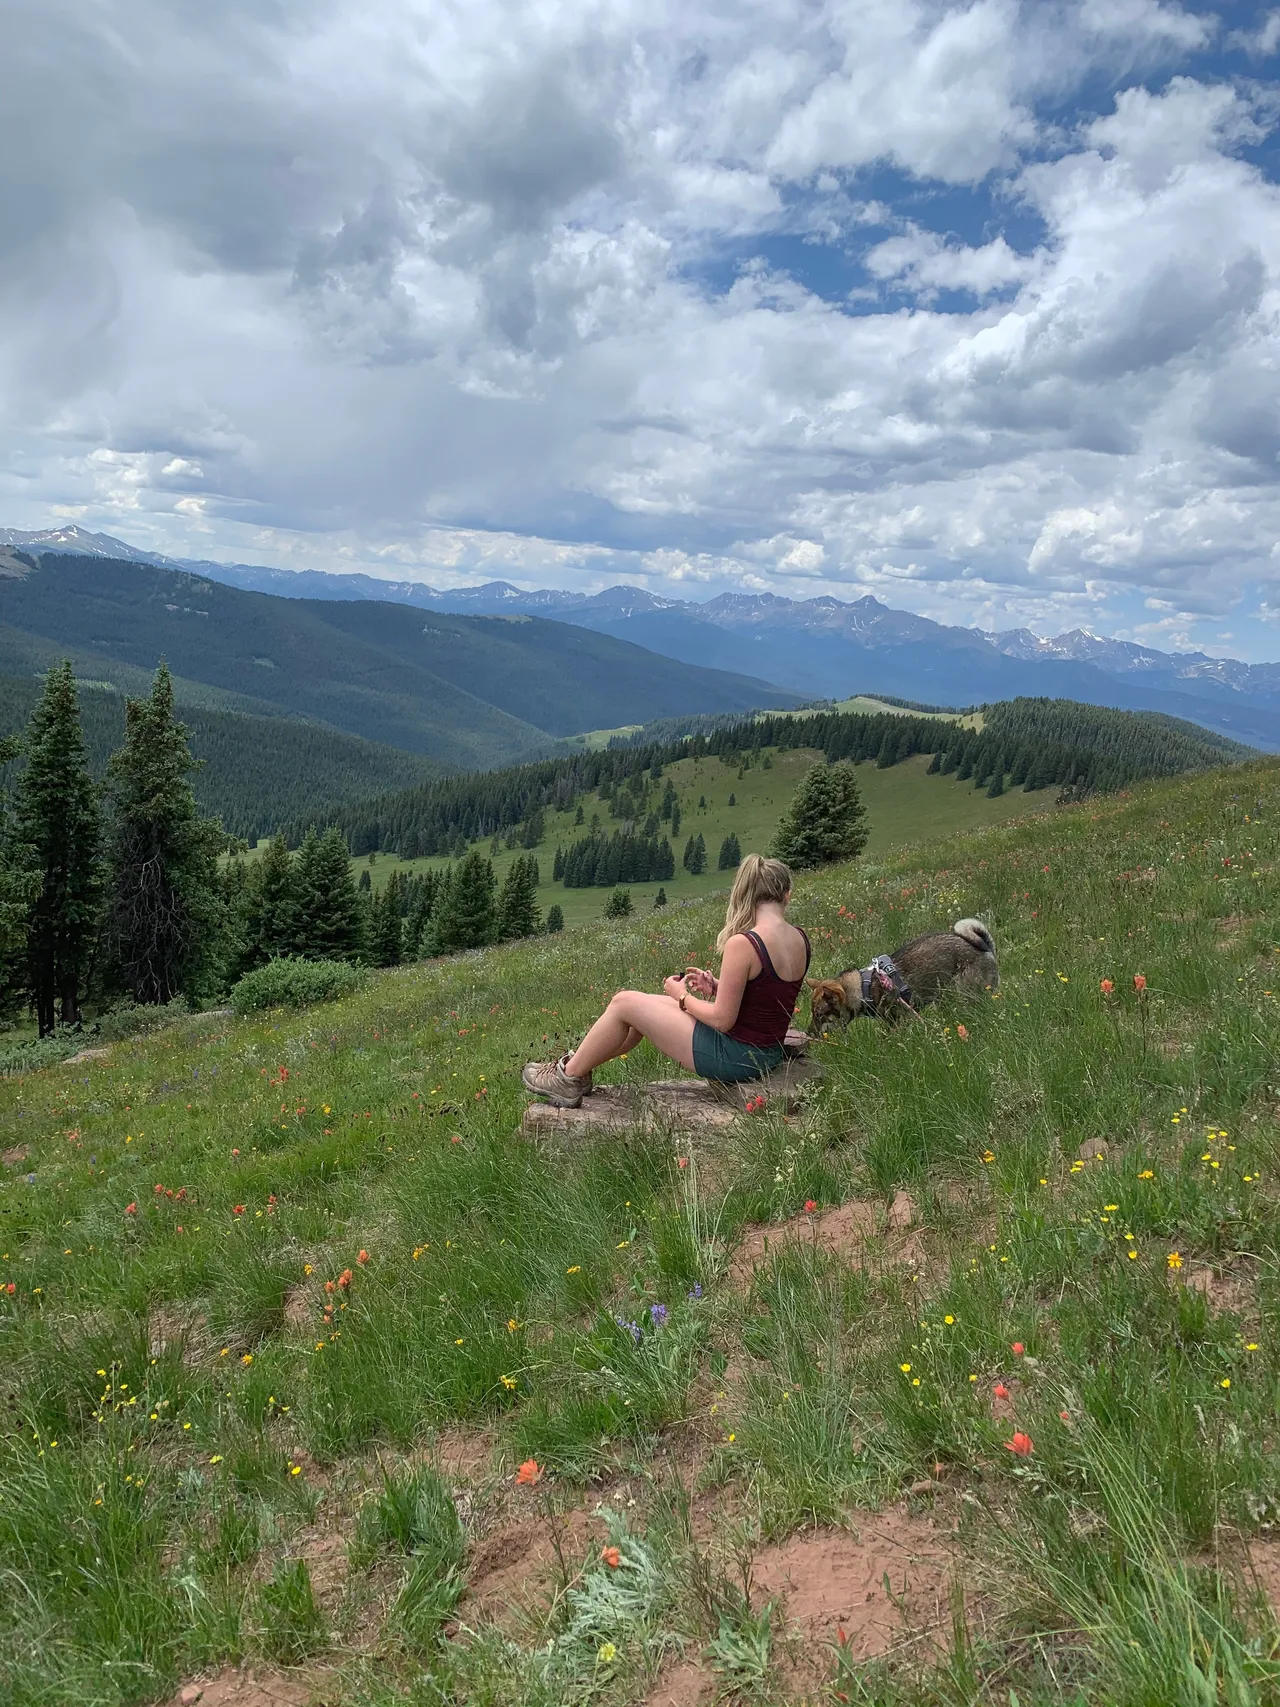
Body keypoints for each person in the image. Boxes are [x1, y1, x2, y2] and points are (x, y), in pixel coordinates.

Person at [522, 854, 810, 1108]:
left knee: (624, 1003)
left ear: (747, 894)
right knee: (640, 1007)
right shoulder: (799, 939)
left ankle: (568, 1079)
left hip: (735, 1057)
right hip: (765, 1052)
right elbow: (770, 995)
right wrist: (720, 988)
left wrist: (681, 996)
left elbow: (723, 1019)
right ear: (786, 895)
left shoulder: (745, 943)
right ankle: (576, 1070)